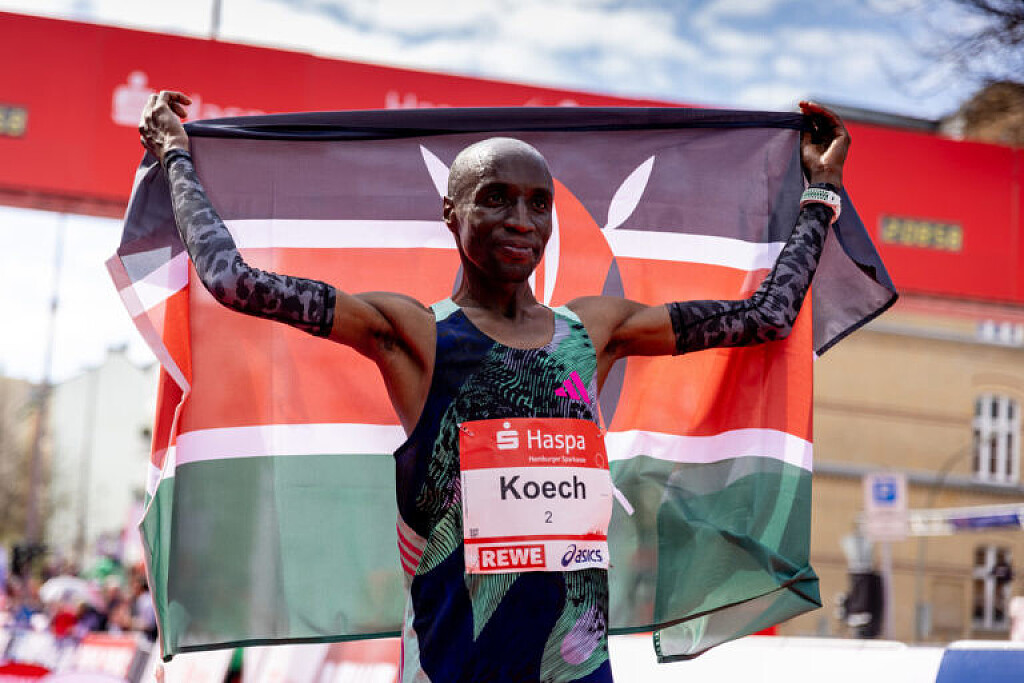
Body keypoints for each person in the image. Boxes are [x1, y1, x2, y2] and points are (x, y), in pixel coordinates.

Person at [139, 92, 849, 682]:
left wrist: (819, 191)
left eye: (539, 204)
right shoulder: (414, 334)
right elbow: (235, 282)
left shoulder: (592, 332)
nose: (521, 220)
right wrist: (176, 157)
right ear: (451, 212)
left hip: (576, 666)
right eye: (496, 198)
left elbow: (766, 316)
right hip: (456, 664)